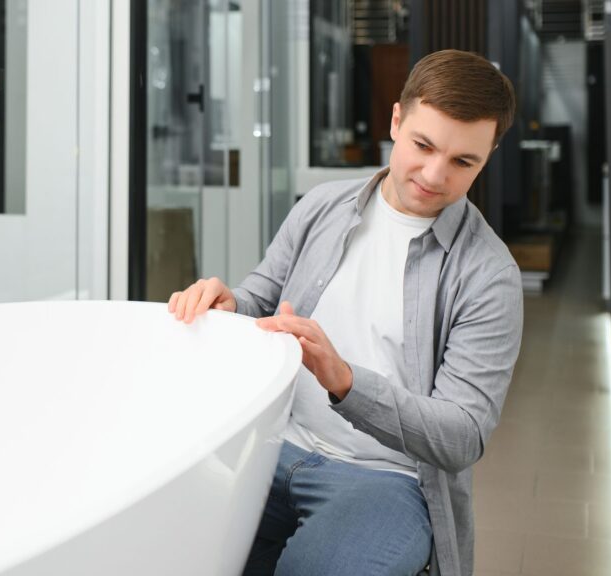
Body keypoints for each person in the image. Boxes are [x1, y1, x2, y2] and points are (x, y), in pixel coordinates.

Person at [167, 49, 522, 576]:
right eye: (423, 145)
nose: (433, 173)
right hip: (268, 448)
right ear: (397, 121)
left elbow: (462, 435)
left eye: (462, 162)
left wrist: (347, 383)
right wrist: (229, 304)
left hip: (386, 478)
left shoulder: (488, 274)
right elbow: (261, 299)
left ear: (486, 158)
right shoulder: (321, 207)